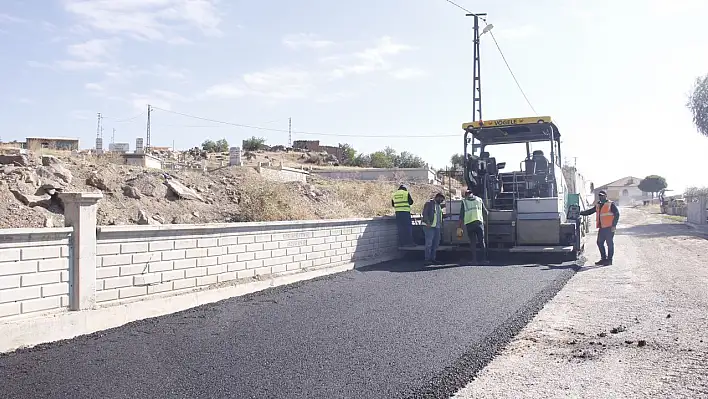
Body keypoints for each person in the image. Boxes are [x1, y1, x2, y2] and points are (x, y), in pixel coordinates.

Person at [580, 190, 620, 265]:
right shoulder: (598, 205)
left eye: (602, 195)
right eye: (600, 196)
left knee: (609, 244)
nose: (601, 197)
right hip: (602, 228)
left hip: (609, 228)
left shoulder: (610, 204)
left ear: (605, 196)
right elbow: (590, 211)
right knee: (599, 242)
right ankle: (603, 259)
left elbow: (617, 214)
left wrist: (614, 225)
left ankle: (609, 260)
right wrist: (580, 213)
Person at [458, 189, 488, 264]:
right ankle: (484, 260)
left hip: (469, 224)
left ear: (466, 195)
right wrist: (484, 220)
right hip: (479, 223)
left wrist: (459, 226)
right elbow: (486, 212)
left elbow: (461, 215)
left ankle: (474, 260)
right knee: (482, 242)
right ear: (472, 194)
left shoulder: (464, 202)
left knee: (473, 242)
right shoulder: (479, 200)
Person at [422, 193, 445, 265]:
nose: (441, 201)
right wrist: (428, 222)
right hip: (429, 227)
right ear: (437, 197)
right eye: (441, 199)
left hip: (437, 227)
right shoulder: (429, 204)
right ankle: (427, 259)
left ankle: (432, 258)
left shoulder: (438, 206)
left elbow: (438, 215)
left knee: (435, 244)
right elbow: (425, 213)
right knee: (429, 243)